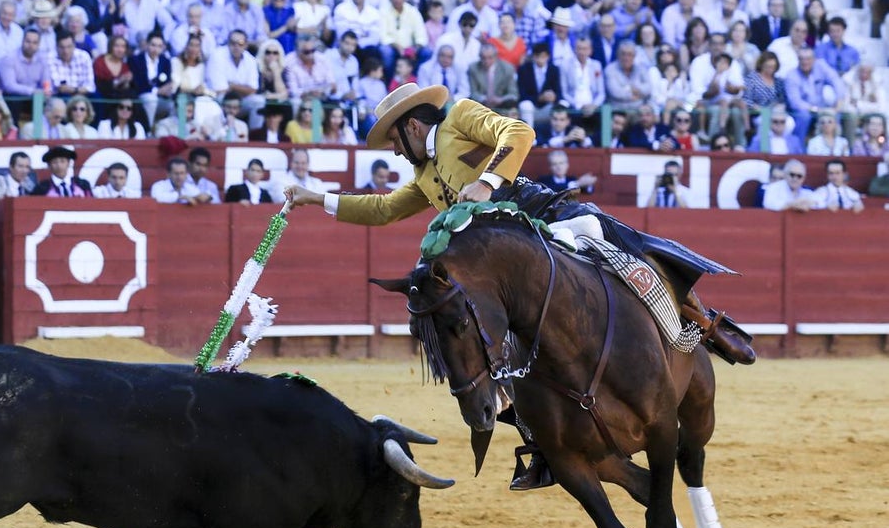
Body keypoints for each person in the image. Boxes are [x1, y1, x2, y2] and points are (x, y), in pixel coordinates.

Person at [284, 83, 756, 487]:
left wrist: (488, 181)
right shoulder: (423, 175)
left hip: (542, 218)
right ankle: (546, 446)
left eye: (392, 139)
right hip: (507, 273)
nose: (392, 151)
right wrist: (314, 198)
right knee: (498, 353)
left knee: (611, 248)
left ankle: (701, 323)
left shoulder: (460, 118)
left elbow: (519, 132)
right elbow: (383, 209)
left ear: (410, 125)